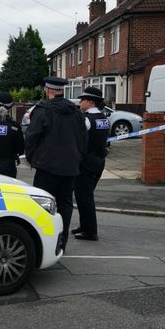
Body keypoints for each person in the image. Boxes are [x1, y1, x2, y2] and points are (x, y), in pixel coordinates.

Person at [24, 77, 87, 253]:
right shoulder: (76, 112)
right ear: (62, 90)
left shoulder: (43, 110)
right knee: (65, 206)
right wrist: (78, 158)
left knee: (42, 206)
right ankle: (61, 243)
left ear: (48, 89)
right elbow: (84, 140)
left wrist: (32, 158)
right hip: (70, 167)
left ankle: (43, 245)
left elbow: (31, 137)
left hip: (47, 168)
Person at [71, 87, 110, 241]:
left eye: (83, 100)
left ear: (91, 102)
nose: (80, 102)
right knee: (85, 195)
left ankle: (90, 231)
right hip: (99, 160)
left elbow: (78, 140)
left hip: (86, 161)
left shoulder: (86, 119)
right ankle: (84, 226)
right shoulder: (103, 118)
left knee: (84, 196)